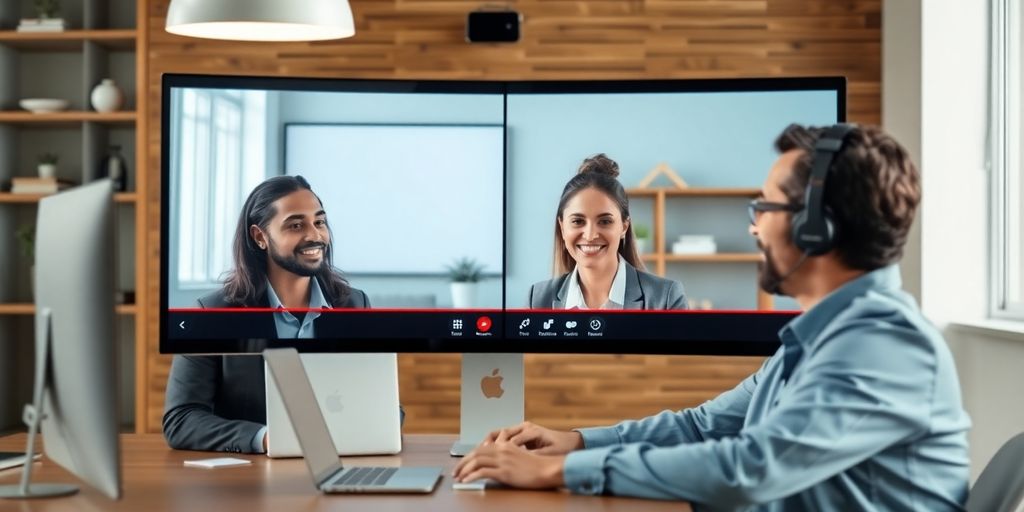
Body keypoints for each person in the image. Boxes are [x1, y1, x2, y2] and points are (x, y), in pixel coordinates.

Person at [454, 124, 971, 510]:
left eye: (762, 210)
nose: (752, 230)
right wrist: (576, 440)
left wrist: (560, 471)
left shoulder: (880, 343)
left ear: (816, 230)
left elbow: (749, 468)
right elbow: (704, 426)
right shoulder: (819, 338)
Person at [163, 175, 386, 454]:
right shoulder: (212, 314)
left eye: (319, 222)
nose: (315, 235)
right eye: (295, 225)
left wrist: (376, 429)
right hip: (249, 480)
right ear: (260, 237)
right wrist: (269, 438)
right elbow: (181, 420)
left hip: (342, 459)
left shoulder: (355, 305)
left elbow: (385, 402)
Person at [527, 154, 687, 310]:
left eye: (605, 221)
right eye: (577, 221)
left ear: (624, 226)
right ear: (562, 227)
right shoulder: (538, 299)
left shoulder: (666, 299)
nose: (590, 235)